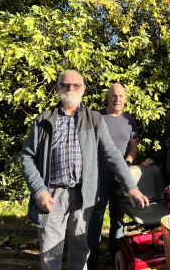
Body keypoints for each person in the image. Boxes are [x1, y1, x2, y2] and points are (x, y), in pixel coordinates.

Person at [21, 70, 149, 270]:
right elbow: (28, 157)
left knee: (81, 247)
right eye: (65, 85)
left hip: (84, 194)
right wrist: (39, 191)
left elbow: (113, 155)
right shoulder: (44, 119)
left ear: (83, 90)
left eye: (76, 85)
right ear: (57, 88)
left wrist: (131, 187)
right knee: (50, 252)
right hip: (52, 194)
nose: (70, 89)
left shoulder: (94, 119)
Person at [87, 83, 138, 268]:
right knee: (95, 219)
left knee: (118, 219)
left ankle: (116, 255)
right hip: (98, 177)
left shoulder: (129, 121)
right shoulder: (96, 117)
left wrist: (125, 166)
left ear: (125, 99)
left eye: (121, 96)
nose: (117, 99)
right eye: (114, 96)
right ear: (108, 97)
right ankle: (91, 260)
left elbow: (133, 148)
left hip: (120, 179)